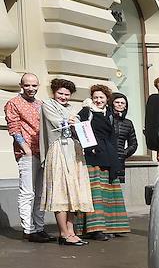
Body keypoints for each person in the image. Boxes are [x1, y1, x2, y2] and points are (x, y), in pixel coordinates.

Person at [39, 78, 93, 246]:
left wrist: (79, 121)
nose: (63, 97)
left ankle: (71, 231)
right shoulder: (47, 105)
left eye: (67, 94)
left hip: (74, 150)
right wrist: (73, 121)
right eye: (60, 93)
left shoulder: (72, 108)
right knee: (61, 191)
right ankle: (63, 233)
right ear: (54, 92)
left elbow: (80, 126)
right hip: (58, 150)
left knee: (73, 192)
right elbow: (58, 123)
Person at [77, 84, 131, 240]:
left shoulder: (109, 113)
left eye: (101, 97)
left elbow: (113, 135)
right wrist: (89, 147)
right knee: (96, 194)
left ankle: (110, 226)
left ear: (107, 99)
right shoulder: (87, 111)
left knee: (109, 193)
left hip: (109, 154)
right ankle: (95, 229)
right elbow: (80, 128)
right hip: (93, 155)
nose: (98, 100)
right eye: (95, 97)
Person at [4, 72, 52, 242]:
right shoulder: (13, 103)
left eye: (34, 85)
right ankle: (28, 230)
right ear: (21, 85)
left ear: (38, 86)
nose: (31, 88)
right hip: (27, 154)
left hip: (43, 152)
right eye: (27, 85)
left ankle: (39, 227)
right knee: (27, 193)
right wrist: (25, 148)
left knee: (41, 194)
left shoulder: (41, 104)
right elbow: (14, 127)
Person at [110, 92, 139, 183]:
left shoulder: (128, 123)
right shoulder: (107, 119)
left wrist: (124, 153)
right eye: (117, 102)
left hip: (120, 161)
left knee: (117, 186)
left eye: (122, 103)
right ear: (112, 104)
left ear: (125, 106)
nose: (119, 104)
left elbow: (133, 144)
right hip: (106, 158)